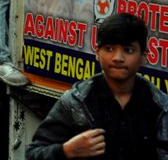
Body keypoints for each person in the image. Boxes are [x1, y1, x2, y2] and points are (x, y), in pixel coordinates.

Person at [28, 13, 168, 158]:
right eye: (109, 49)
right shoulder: (76, 103)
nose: (118, 58)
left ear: (143, 57)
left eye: (128, 50)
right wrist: (66, 151)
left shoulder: (160, 107)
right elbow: (34, 153)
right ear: (97, 53)